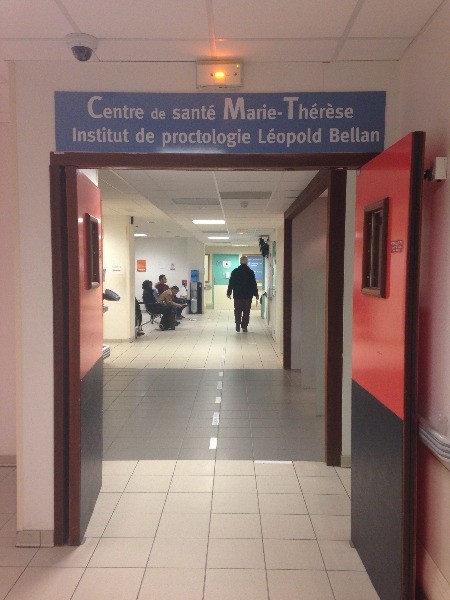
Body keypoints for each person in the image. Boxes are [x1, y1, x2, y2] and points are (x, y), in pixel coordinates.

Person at [227, 256, 259, 332]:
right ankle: (244, 327)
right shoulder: (250, 272)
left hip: (237, 295)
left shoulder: (235, 271)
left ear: (240, 262)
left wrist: (229, 292)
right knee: (246, 311)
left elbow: (231, 283)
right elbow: (253, 284)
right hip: (248, 296)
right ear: (247, 262)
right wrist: (256, 294)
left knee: (237, 310)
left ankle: (238, 321)